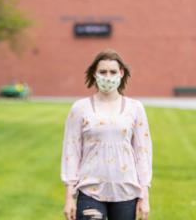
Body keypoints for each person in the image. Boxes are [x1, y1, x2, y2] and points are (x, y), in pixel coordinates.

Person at [61, 49, 152, 220]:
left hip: (126, 192)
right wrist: (69, 197)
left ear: (121, 73)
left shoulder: (135, 108)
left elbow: (143, 152)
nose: (108, 76)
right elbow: (71, 152)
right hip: (90, 191)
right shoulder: (80, 108)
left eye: (112, 72)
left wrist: (144, 195)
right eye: (103, 72)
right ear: (95, 74)